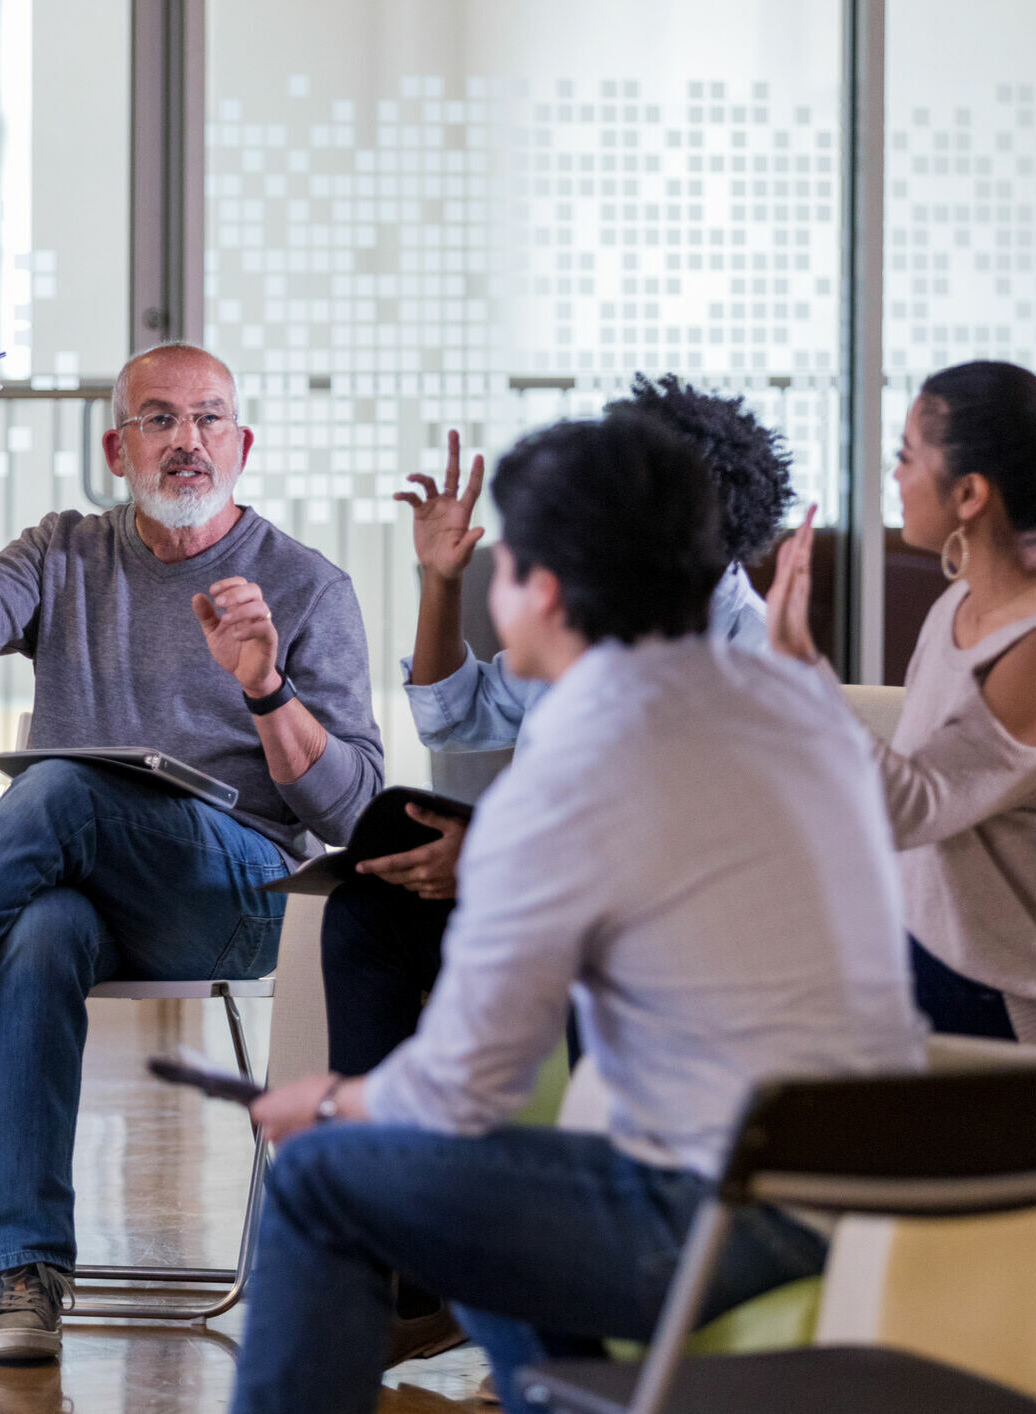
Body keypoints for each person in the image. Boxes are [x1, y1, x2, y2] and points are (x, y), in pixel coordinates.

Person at [229, 411, 924, 1414]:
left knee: (322, 1179)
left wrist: (330, 1102)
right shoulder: (794, 702)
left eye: (504, 559)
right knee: (498, 1180)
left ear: (543, 590)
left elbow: (463, 1089)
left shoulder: (582, 760)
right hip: (883, 1178)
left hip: (720, 1218)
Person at [0, 319, 384, 1362]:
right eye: (157, 419)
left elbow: (354, 814)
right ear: (118, 452)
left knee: (57, 785)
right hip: (91, 894)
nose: (185, 438)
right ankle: (26, 1276)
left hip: (234, 900)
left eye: (208, 419)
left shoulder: (307, 586)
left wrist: (265, 686)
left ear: (242, 445)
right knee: (38, 931)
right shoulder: (68, 551)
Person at [322, 376, 794, 1081]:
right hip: (551, 886)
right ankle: (373, 1165)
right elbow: (454, 715)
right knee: (369, 912)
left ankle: (597, 1146)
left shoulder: (751, 654)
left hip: (657, 927)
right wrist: (441, 582)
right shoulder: (606, 610)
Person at [767, 361, 1036, 1046]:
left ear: (969, 493)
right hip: (928, 951)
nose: (892, 477)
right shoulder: (960, 602)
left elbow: (907, 807)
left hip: (1007, 997)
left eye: (905, 458)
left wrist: (798, 665)